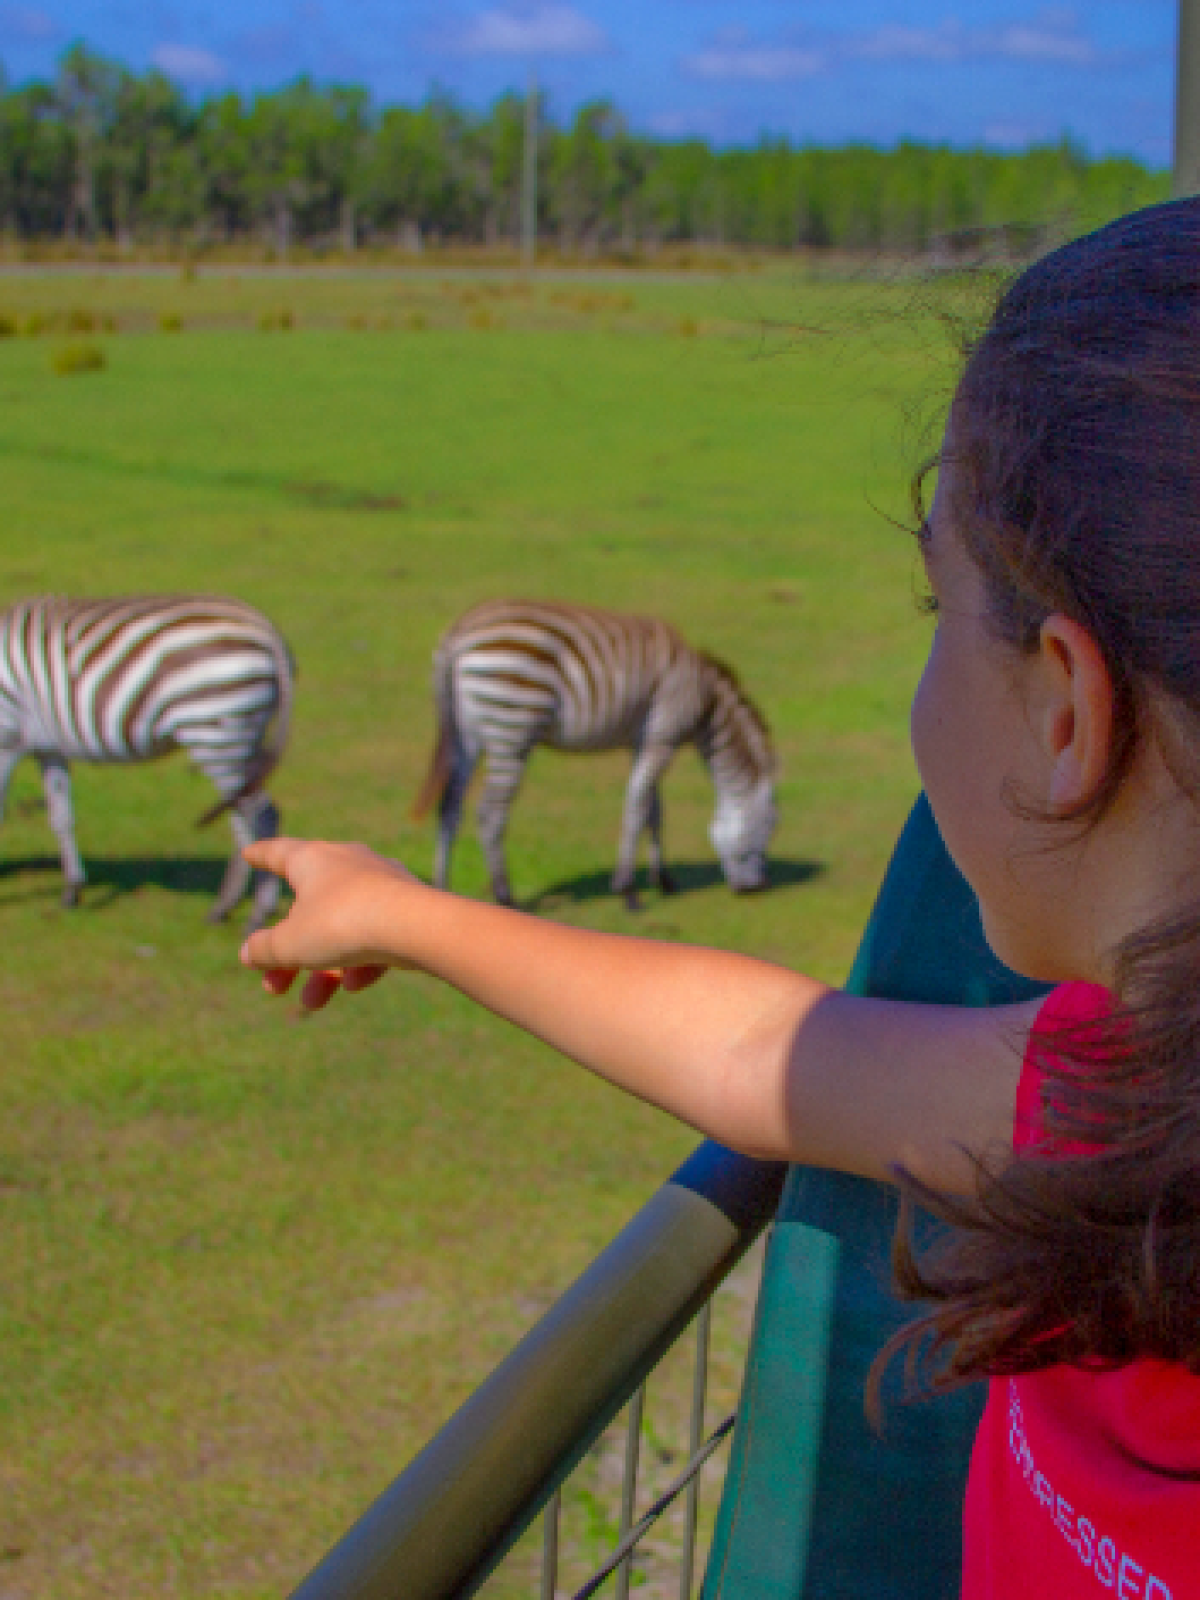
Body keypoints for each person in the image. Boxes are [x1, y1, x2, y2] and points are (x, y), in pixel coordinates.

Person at [240, 198, 1200, 1598]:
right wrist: (408, 913)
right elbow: (762, 1051)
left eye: (941, 615)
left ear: (1067, 706)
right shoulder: (1120, 1094)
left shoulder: (1096, 1108)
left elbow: (771, 1057)